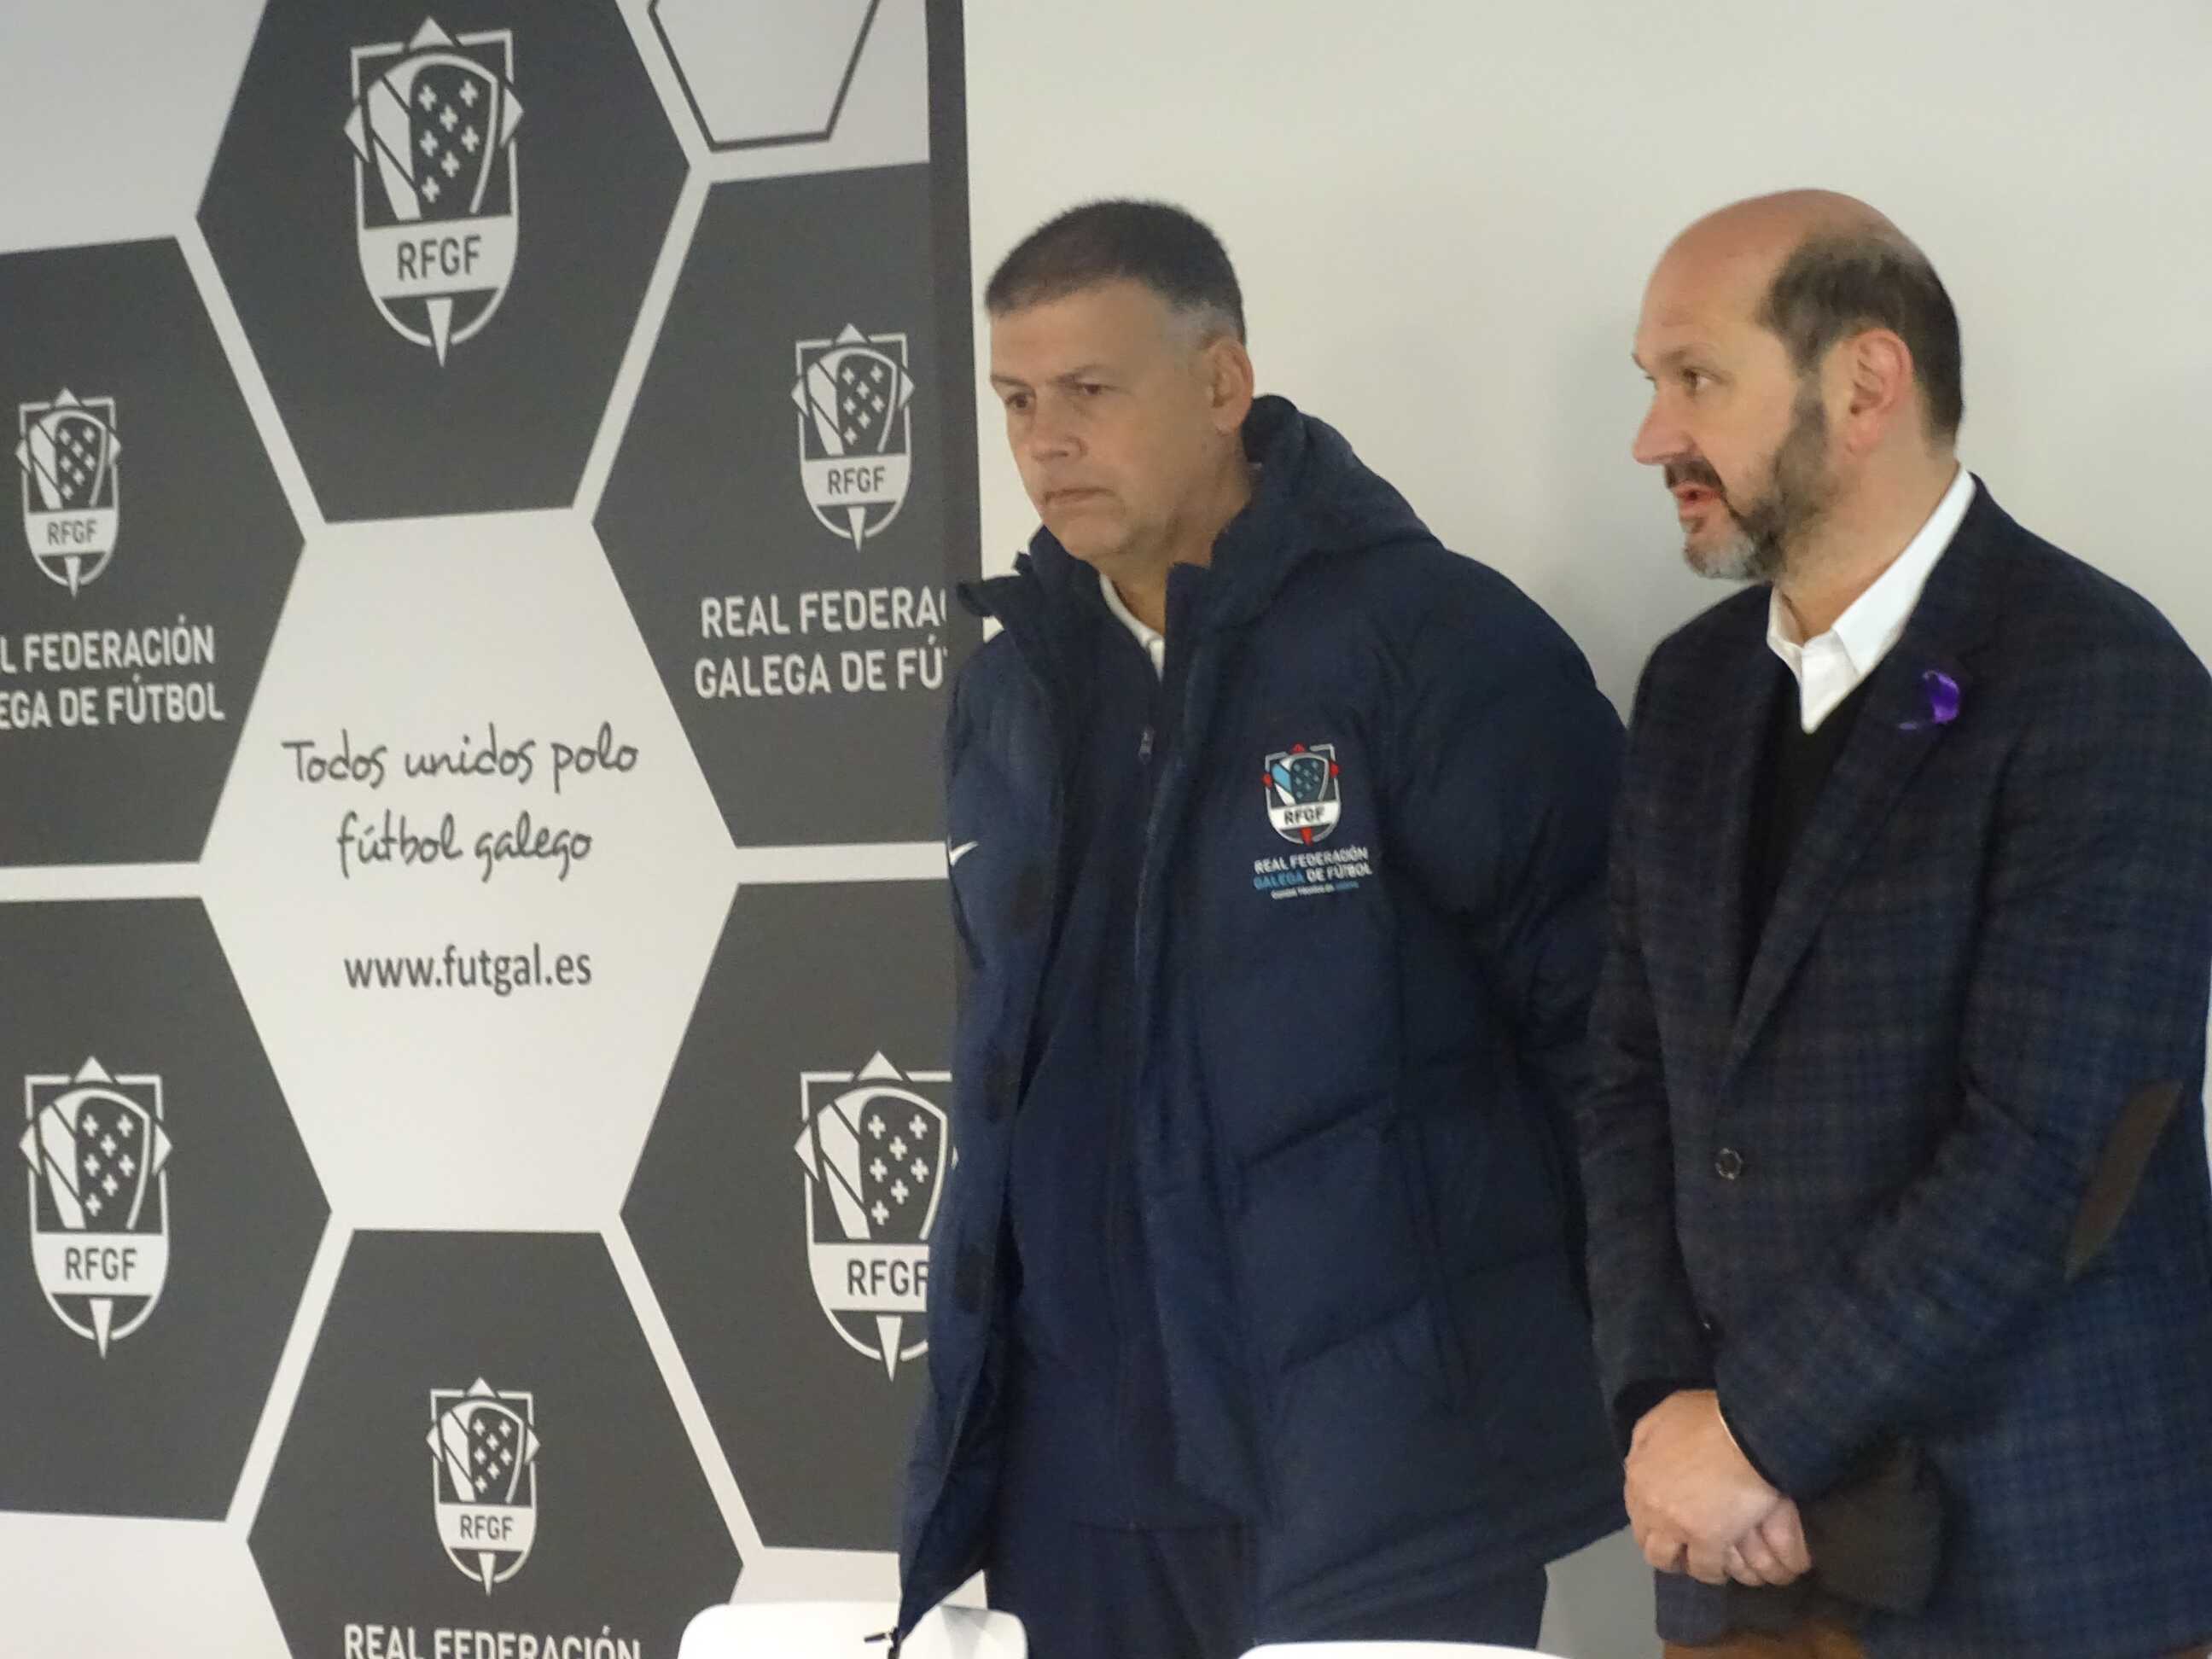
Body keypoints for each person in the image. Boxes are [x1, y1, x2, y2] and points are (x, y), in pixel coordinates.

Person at [893, 200, 1625, 1657]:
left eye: (1090, 391)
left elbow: (1619, 1049)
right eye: (1017, 401)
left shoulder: (1435, 642)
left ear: (1223, 382)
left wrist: (1663, 1383)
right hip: (1075, 1499)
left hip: (1382, 1485)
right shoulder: (1009, 692)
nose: (1046, 442)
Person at [1584, 188, 2212, 1657]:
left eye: (1697, 378)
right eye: (1652, 384)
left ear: (1867, 383)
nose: (1654, 438)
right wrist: (1666, 1407)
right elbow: (1626, 1083)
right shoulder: (1690, 691)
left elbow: (2054, 1154)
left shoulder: (2104, 683)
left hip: (2040, 1567)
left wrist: (1759, 1429)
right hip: (1738, 1560)